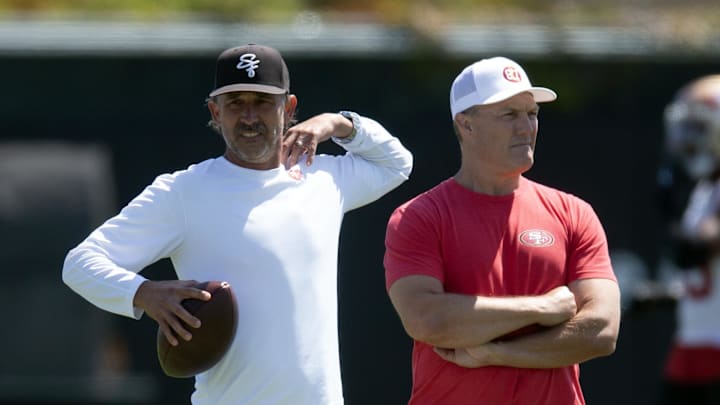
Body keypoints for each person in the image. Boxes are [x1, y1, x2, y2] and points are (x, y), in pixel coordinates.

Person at [62, 43, 413, 405]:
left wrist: (338, 123)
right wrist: (144, 293)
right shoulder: (183, 192)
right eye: (235, 103)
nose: (248, 116)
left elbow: (397, 164)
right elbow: (79, 264)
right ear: (215, 111)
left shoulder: (322, 178)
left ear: (288, 108)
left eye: (262, 101)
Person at [383, 56, 620, 404]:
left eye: (531, 113)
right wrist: (542, 309)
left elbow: (602, 331)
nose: (526, 127)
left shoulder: (574, 213)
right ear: (466, 125)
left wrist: (495, 353)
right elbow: (427, 320)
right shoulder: (419, 217)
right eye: (509, 115)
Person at [659, 74, 720, 404]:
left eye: (700, 129)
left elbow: (694, 250)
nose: (689, 141)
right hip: (695, 346)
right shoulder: (705, 190)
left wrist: (669, 215)